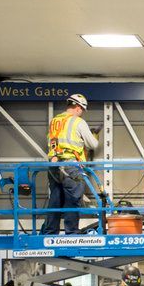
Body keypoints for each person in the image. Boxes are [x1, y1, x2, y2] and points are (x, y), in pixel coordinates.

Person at [41, 94, 99, 235]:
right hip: (70, 166)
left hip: (54, 165)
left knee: (55, 198)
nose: (82, 113)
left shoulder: (54, 121)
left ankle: (50, 231)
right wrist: (94, 135)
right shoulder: (77, 122)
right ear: (78, 107)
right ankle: (71, 231)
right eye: (82, 110)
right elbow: (93, 144)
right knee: (73, 198)